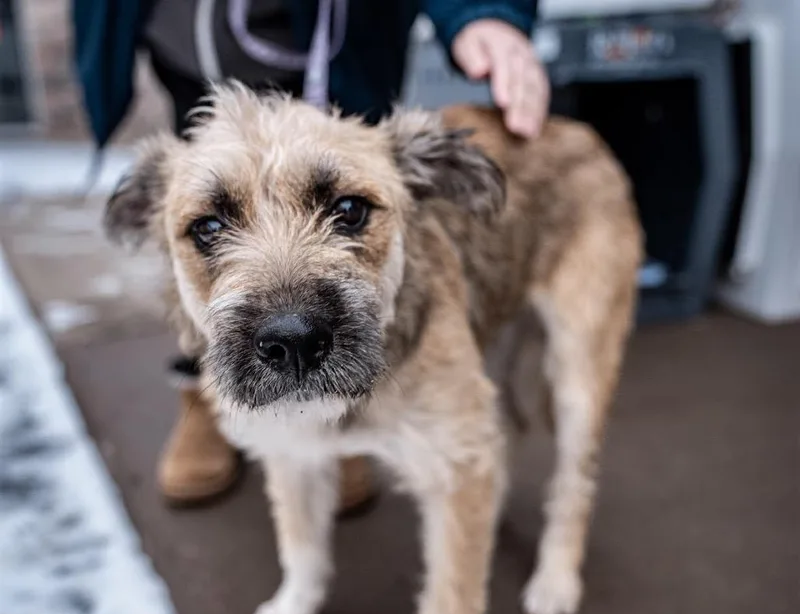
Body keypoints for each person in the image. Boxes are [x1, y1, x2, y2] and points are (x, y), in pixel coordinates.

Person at [72, 0, 549, 509]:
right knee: (201, 217)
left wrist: (481, 9)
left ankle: (345, 409)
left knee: (352, 187)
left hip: (336, 50)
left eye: (345, 213)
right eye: (213, 229)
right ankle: (207, 393)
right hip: (179, 51)